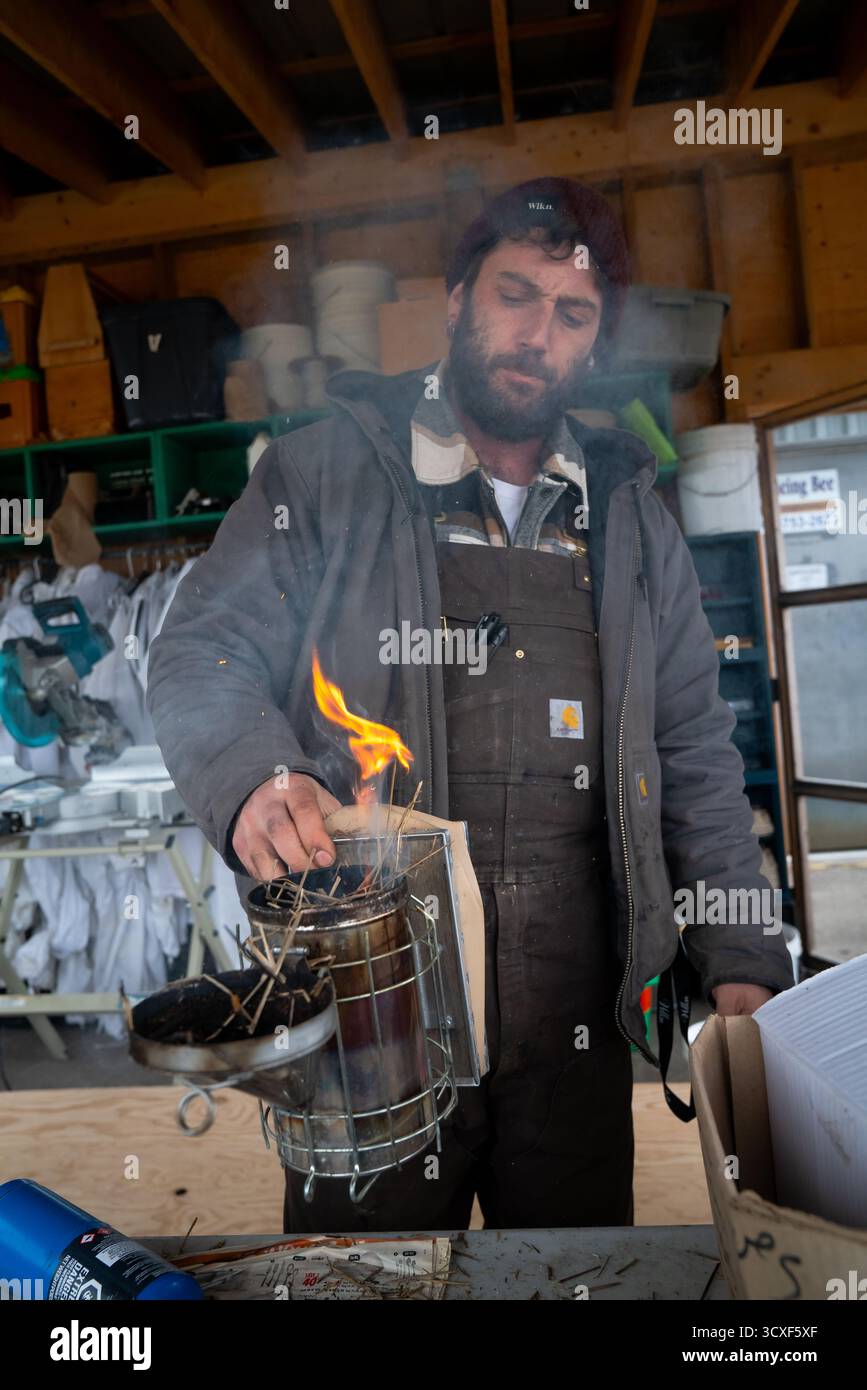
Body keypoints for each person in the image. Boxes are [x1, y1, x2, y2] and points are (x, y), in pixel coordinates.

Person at [146, 176, 794, 1233]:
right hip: (369, 1022)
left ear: (594, 343)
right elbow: (198, 650)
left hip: (575, 1030)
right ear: (455, 299)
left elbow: (695, 750)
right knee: (372, 1279)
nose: (537, 333)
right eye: (514, 294)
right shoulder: (322, 477)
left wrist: (744, 956)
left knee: (570, 1279)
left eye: (571, 313)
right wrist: (255, 776)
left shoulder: (628, 514)